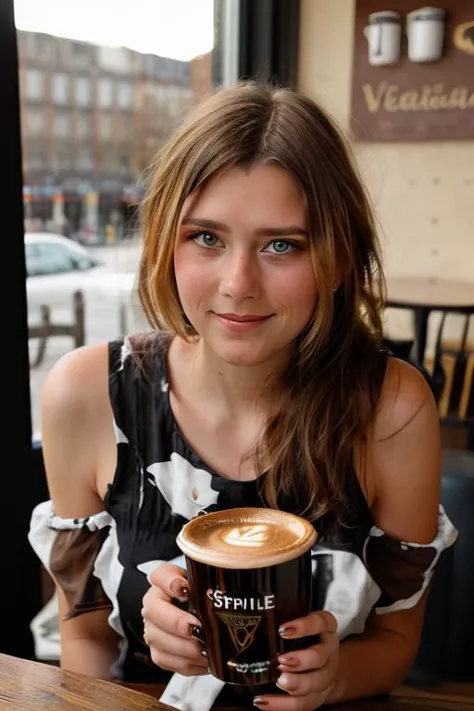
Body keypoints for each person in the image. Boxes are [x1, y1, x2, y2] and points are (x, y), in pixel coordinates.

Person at [29, 82, 457, 711]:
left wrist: (336, 675)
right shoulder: (86, 393)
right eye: (206, 237)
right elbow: (85, 633)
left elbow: (395, 641)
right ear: (165, 243)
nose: (239, 284)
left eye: (282, 244)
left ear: (337, 259)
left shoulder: (391, 410)